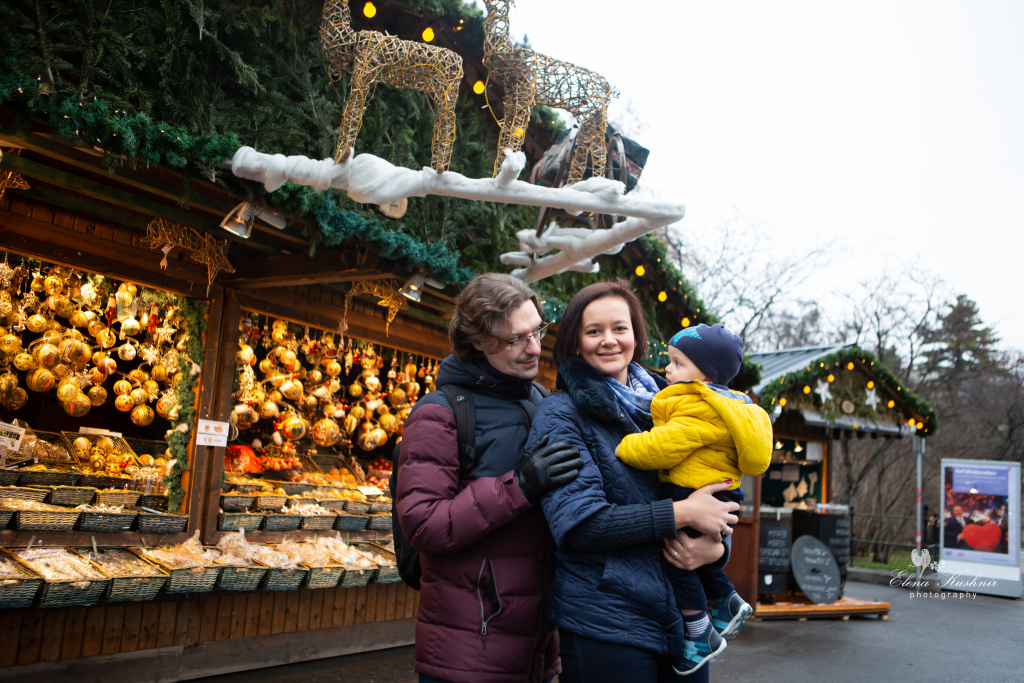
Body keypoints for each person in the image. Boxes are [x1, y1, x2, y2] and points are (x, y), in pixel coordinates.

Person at [528, 279, 740, 683]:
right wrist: (682, 513)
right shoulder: (561, 414)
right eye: (594, 331)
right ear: (575, 343)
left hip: (681, 624)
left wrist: (715, 550)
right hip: (606, 621)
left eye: (619, 328)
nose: (609, 340)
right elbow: (580, 526)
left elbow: (716, 486)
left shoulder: (675, 402)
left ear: (637, 337)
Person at [394, 273, 584, 683]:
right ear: (478, 340)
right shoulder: (439, 413)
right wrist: (520, 487)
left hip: (538, 649)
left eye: (537, 331)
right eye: (516, 339)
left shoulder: (544, 404)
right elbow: (423, 524)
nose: (535, 348)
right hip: (469, 651)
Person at [615, 323, 773, 673]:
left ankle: (699, 632)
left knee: (676, 558)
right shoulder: (733, 406)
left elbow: (664, 446)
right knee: (693, 556)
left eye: (678, 363)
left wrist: (626, 446)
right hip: (718, 490)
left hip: (691, 489)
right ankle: (727, 601)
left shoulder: (698, 405)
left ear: (705, 375)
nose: (667, 369)